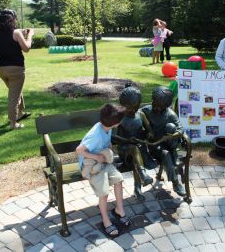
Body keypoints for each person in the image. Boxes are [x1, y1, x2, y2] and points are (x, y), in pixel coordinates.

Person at [76, 103, 130, 237]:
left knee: (118, 180)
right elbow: (79, 150)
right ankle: (106, 220)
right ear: (116, 123)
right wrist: (96, 156)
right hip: (91, 166)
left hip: (102, 161)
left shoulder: (106, 127)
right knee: (104, 192)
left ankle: (119, 209)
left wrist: (108, 148)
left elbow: (107, 142)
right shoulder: (96, 135)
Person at [141, 86, 186, 196]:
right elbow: (136, 115)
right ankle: (176, 182)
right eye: (154, 102)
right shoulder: (146, 110)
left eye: (158, 106)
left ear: (165, 107)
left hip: (169, 143)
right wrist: (147, 128)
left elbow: (180, 129)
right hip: (155, 146)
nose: (154, 106)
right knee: (166, 154)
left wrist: (170, 136)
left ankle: (174, 158)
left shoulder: (170, 114)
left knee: (171, 126)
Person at [113, 86, 156, 201]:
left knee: (137, 158)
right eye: (128, 109)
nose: (131, 111)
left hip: (139, 148)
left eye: (133, 108)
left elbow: (149, 130)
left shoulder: (140, 115)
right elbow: (113, 137)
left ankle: (137, 189)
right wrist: (127, 140)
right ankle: (143, 175)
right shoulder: (119, 117)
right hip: (124, 150)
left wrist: (149, 134)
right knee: (134, 150)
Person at [0, 9, 34, 129]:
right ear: (13, 19)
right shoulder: (16, 32)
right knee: (14, 97)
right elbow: (26, 48)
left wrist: (22, 32)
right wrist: (30, 35)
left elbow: (11, 36)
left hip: (0, 69)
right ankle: (13, 123)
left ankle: (20, 113)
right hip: (15, 69)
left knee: (16, 91)